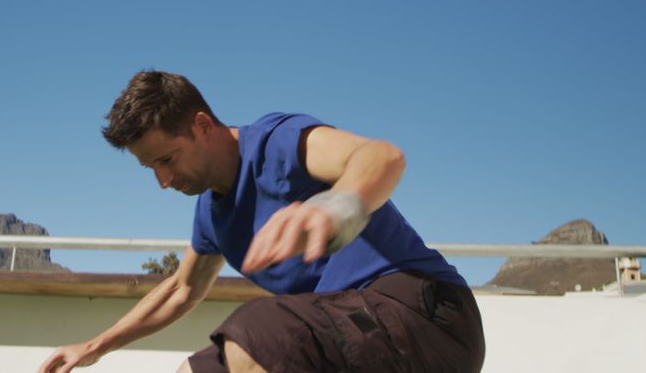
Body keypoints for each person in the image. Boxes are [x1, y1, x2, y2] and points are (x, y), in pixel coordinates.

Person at [38, 71, 485, 373]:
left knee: (258, 334)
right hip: (352, 337)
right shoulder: (212, 216)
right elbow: (179, 290)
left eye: (167, 159)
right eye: (150, 168)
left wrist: (334, 207)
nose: (163, 180)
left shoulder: (279, 143)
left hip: (426, 314)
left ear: (201, 125)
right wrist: (95, 346)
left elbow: (382, 157)